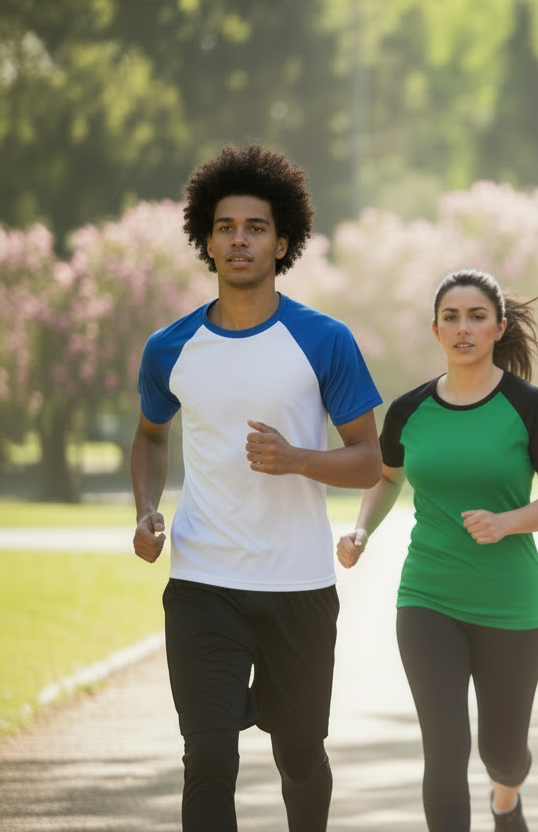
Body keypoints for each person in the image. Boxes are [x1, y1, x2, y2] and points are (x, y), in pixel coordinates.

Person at [131, 143, 383, 832]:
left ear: (284, 242)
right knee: (207, 756)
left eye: (256, 227)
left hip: (297, 586)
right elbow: (150, 437)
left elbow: (370, 459)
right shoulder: (170, 348)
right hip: (203, 582)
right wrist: (147, 511)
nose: (239, 239)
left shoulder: (323, 340)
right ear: (206, 242)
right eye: (225, 227)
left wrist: (299, 458)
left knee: (298, 753)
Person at [336, 268, 538, 832]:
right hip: (428, 597)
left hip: (510, 604)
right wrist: (363, 530)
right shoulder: (408, 410)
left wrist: (508, 521)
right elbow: (386, 476)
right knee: (445, 750)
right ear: (435, 329)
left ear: (499, 326)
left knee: (504, 754)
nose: (463, 328)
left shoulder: (529, 406)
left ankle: (506, 795)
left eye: (476, 316)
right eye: (451, 317)